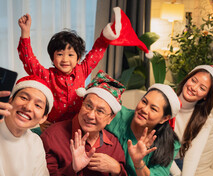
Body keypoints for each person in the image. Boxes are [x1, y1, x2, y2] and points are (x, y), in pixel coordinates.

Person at [40, 70, 138, 176]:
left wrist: (116, 170)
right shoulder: (53, 135)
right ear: (81, 104)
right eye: (88, 106)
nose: (91, 115)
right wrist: (72, 169)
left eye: (100, 111)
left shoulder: (112, 144)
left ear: (110, 118)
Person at [17, 7, 150, 131]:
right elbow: (29, 60)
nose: (65, 59)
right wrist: (25, 32)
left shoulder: (82, 70)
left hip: (79, 124)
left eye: (70, 55)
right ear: (52, 58)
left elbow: (96, 53)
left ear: (78, 58)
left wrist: (105, 37)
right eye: (59, 54)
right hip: (53, 127)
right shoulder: (47, 75)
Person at [104, 84, 181, 176]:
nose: (143, 109)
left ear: (164, 118)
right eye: (144, 101)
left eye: (153, 109)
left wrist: (139, 163)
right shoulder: (117, 116)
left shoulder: (169, 142)